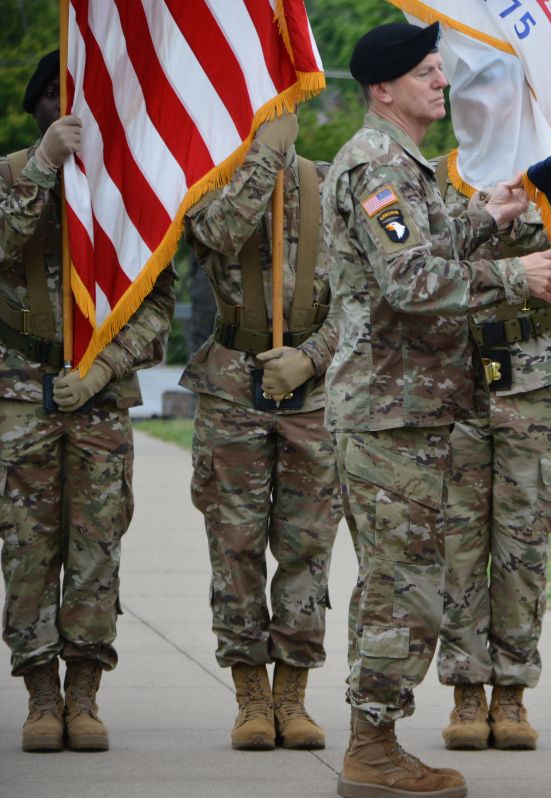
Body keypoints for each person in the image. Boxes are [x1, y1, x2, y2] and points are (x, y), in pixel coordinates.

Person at [321, 22, 551, 798]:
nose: (442, 82)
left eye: (441, 69)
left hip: (410, 409)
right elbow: (408, 282)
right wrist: (513, 274)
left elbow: (424, 245)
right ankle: (373, 750)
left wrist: (485, 218)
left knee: (403, 581)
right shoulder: (376, 167)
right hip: (389, 412)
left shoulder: (402, 165)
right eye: (427, 73)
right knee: (402, 586)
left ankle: (376, 739)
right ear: (384, 89)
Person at [0, 51, 175, 753]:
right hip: (21, 395)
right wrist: (45, 165)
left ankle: (84, 693)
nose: (66, 107)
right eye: (53, 95)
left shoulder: (129, 194)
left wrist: (103, 370)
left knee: (97, 550)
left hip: (97, 401)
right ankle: (41, 694)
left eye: (77, 93)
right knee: (28, 551)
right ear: (36, 108)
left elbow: (156, 304)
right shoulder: (9, 175)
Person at [182, 111, 340, 751]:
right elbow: (222, 234)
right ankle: (250, 694)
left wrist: (313, 356)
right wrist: (262, 160)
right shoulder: (206, 190)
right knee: (235, 546)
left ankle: (292, 695)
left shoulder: (333, 185)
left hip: (314, 394)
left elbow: (365, 294)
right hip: (231, 389)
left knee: (308, 547)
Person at [435, 174, 551, 752]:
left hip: (535, 379)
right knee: (458, 546)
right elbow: (420, 267)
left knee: (524, 545)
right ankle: (466, 691)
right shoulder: (432, 181)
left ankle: (512, 691)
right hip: (452, 378)